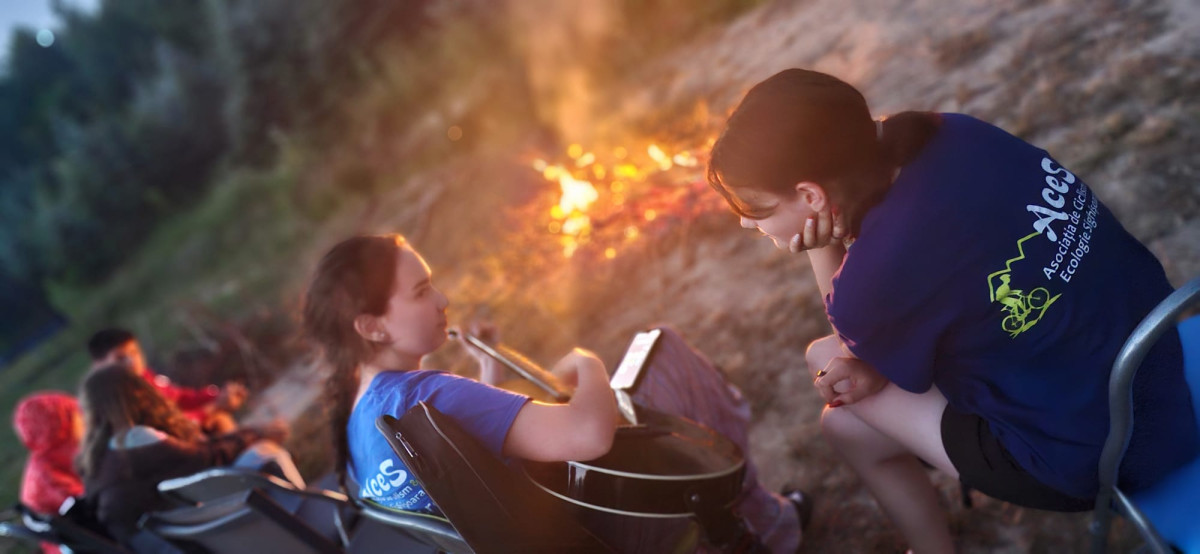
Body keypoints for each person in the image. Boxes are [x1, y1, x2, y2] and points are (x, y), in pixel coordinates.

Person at [706, 68, 1200, 553]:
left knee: (828, 376)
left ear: (810, 195)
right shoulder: (957, 132)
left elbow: (853, 343)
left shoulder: (876, 279)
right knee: (844, 420)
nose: (750, 227)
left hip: (1101, 449)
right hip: (1163, 358)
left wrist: (821, 249)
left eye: (757, 212)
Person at [302, 234, 809, 553]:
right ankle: (767, 526)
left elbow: (467, 472)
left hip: (546, 539)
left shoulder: (357, 424)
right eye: (420, 293)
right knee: (662, 349)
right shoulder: (430, 397)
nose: (442, 299)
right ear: (371, 326)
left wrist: (486, 370)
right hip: (605, 532)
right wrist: (588, 362)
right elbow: (589, 435)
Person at [77, 363, 303, 544]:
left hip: (151, 536)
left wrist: (238, 433)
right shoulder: (134, 437)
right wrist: (256, 433)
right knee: (265, 455)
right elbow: (207, 459)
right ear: (135, 392)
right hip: (174, 536)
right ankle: (306, 525)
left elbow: (193, 454)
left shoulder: (97, 455)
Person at [87, 328, 247, 435]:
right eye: (120, 358)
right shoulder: (117, 400)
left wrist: (217, 395)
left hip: (181, 441)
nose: (132, 361)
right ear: (99, 365)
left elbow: (179, 397)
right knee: (222, 421)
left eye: (134, 352)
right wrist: (213, 408)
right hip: (167, 458)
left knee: (222, 420)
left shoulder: (145, 378)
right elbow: (168, 427)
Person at [13, 391, 84, 554]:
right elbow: (92, 508)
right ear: (63, 428)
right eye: (76, 416)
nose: (84, 420)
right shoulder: (50, 476)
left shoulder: (52, 458)